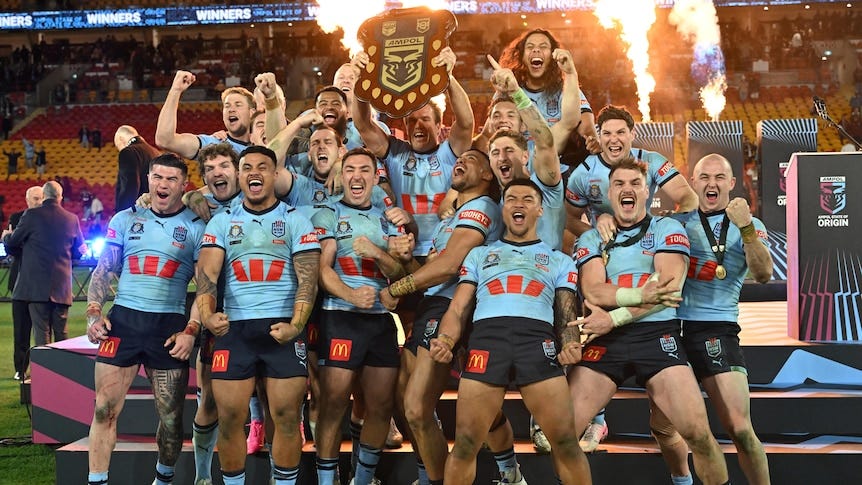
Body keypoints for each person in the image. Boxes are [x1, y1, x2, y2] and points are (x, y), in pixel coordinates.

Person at [569, 157, 730, 485]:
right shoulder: (590, 238)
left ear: (647, 192)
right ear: (610, 194)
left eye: (635, 184)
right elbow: (594, 291)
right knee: (562, 436)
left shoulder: (667, 228)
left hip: (655, 335)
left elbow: (668, 287)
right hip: (606, 342)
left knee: (698, 434)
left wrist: (614, 317)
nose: (627, 189)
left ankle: (683, 481)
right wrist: (644, 292)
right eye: (619, 184)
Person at [429, 178, 591, 485]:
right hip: (487, 341)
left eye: (528, 199)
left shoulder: (560, 260)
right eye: (512, 198)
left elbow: (566, 310)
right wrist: (446, 339)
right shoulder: (478, 255)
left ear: (540, 210)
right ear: (503, 209)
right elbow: (458, 307)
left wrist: (570, 343)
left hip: (537, 342)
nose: (519, 204)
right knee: (464, 444)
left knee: (566, 442)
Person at [380, 149, 514, 485]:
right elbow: (431, 271)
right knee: (408, 400)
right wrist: (409, 260)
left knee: (415, 406)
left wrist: (396, 289)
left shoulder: (482, 207)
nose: (462, 161)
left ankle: (439, 480)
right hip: (432, 305)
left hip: (453, 308)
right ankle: (504, 470)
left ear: (486, 175)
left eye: (472, 159)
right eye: (461, 157)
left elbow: (450, 265)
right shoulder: (450, 218)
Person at [196, 145, 320, 485]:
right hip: (234, 329)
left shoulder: (295, 220)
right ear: (239, 175)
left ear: (273, 175)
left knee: (285, 416)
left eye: (262, 167)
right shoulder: (223, 221)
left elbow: (308, 279)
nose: (254, 172)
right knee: (231, 417)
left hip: (283, 326)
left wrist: (296, 325)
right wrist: (207, 316)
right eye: (247, 167)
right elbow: (206, 272)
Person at [651, 154, 773, 485]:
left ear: (731, 184)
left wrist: (746, 228)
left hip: (716, 328)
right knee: (662, 427)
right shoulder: (676, 224)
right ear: (694, 182)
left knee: (739, 428)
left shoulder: (750, 224)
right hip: (670, 328)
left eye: (720, 177)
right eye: (704, 177)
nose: (712, 184)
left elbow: (763, 274)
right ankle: (683, 480)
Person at [85, 154, 204, 485]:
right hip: (122, 322)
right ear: (148, 179)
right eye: (156, 177)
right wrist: (94, 311)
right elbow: (105, 269)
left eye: (170, 179)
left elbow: (207, 288)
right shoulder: (125, 218)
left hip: (167, 328)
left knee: (170, 420)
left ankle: (162, 480)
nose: (162, 185)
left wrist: (191, 330)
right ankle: (97, 480)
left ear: (183, 185)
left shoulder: (196, 226)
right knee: (103, 409)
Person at [311, 148, 407, 485]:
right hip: (340, 317)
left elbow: (398, 269)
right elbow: (322, 269)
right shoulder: (328, 213)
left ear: (375, 177)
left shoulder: (387, 217)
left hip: (380, 321)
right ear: (341, 176)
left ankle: (361, 479)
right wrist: (351, 294)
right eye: (349, 169)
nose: (356, 176)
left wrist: (377, 253)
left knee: (381, 407)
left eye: (364, 169)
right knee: (334, 404)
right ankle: (327, 480)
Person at [352, 46, 474, 259]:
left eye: (425, 120)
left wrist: (448, 77)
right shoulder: (396, 152)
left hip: (444, 250)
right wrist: (362, 81)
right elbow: (363, 124)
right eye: (412, 121)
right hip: (404, 250)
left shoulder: (450, 153)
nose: (418, 125)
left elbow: (465, 122)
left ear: (439, 126)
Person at [2, 181, 83, 347]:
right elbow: (79, 251)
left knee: (41, 333)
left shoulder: (31, 215)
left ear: (44, 196)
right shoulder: (72, 219)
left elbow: (14, 241)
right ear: (60, 197)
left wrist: (6, 236)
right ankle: (63, 371)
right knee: (62, 334)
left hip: (36, 287)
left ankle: (43, 372)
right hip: (62, 287)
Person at [156, 70, 254, 159]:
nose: (231, 109)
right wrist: (175, 90)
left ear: (252, 113)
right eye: (227, 106)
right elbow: (165, 141)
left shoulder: (264, 144)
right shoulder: (213, 145)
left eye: (238, 105)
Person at [4, 186, 43, 380]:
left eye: (40, 198)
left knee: (43, 331)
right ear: (27, 200)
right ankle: (21, 369)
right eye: (35, 198)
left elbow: (14, 243)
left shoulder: (49, 219)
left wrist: (14, 240)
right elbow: (13, 248)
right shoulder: (17, 217)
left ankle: (46, 369)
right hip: (19, 280)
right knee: (21, 330)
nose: (38, 201)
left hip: (42, 283)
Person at [114, 125, 161, 213]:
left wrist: (123, 214)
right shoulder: (156, 152)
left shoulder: (128, 152)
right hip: (157, 210)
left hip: (139, 212)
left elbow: (130, 185)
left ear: (121, 139)